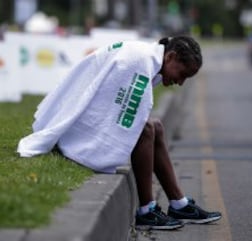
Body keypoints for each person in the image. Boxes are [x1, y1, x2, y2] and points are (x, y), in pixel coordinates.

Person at [17, 36, 222, 230]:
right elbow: (126, 109)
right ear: (171, 57)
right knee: (146, 130)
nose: (181, 82)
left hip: (82, 114)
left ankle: (179, 204)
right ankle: (146, 210)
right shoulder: (140, 61)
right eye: (182, 74)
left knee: (156, 126)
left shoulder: (148, 56)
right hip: (76, 128)